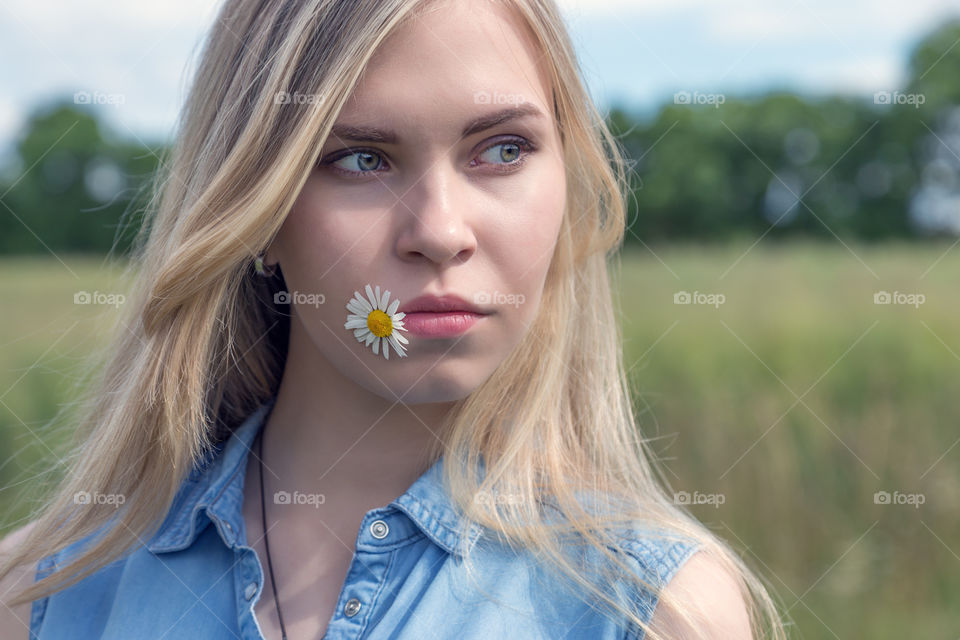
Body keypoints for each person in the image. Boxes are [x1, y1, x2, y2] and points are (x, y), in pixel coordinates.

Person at [0, 0, 788, 638]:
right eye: (362, 159)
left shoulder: (654, 610)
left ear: (569, 178)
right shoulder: (43, 600)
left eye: (503, 149)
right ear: (257, 211)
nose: (441, 231)